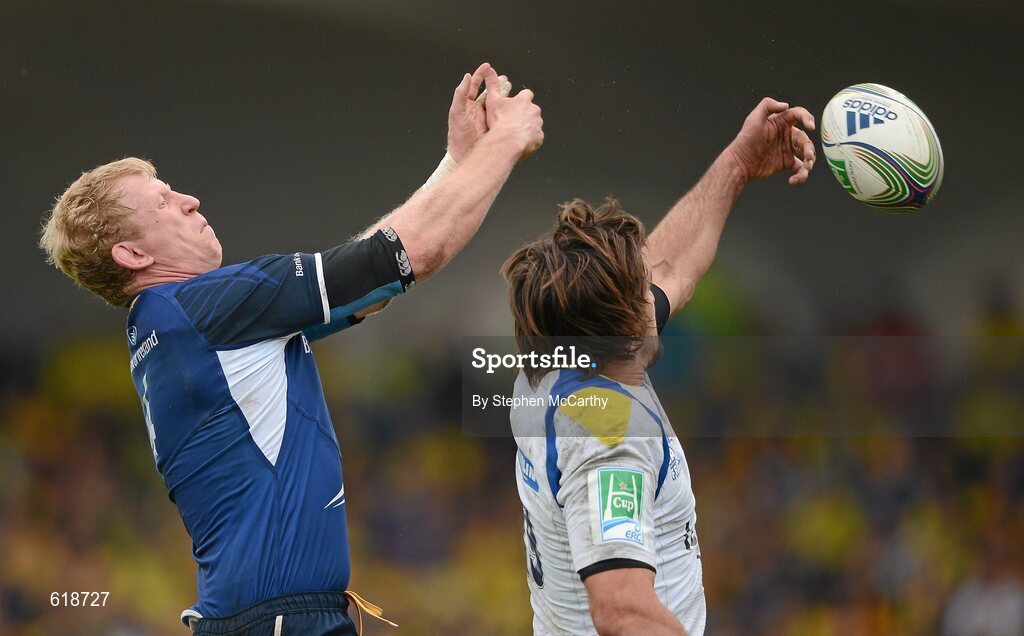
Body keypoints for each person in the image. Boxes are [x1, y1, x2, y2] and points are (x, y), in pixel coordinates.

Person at [38, 62, 542, 635]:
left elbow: (372, 283)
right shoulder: (201, 309)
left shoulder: (183, 329)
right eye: (164, 201)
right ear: (131, 255)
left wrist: (459, 162)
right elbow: (410, 253)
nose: (190, 199)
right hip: (281, 623)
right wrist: (504, 142)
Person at [502, 98, 815, 636]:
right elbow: (622, 612)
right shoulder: (609, 437)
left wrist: (739, 164)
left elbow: (676, 261)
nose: (657, 284)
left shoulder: (552, 368)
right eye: (641, 288)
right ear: (626, 328)